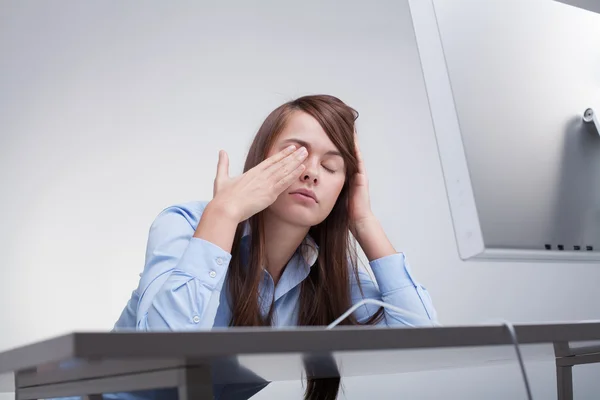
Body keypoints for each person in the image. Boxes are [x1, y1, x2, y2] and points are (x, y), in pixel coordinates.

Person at [113, 94, 437, 332]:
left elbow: (421, 338)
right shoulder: (183, 225)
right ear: (260, 160)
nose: (312, 172)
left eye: (330, 166)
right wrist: (224, 213)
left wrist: (364, 222)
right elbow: (164, 346)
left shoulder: (322, 272)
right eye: (295, 155)